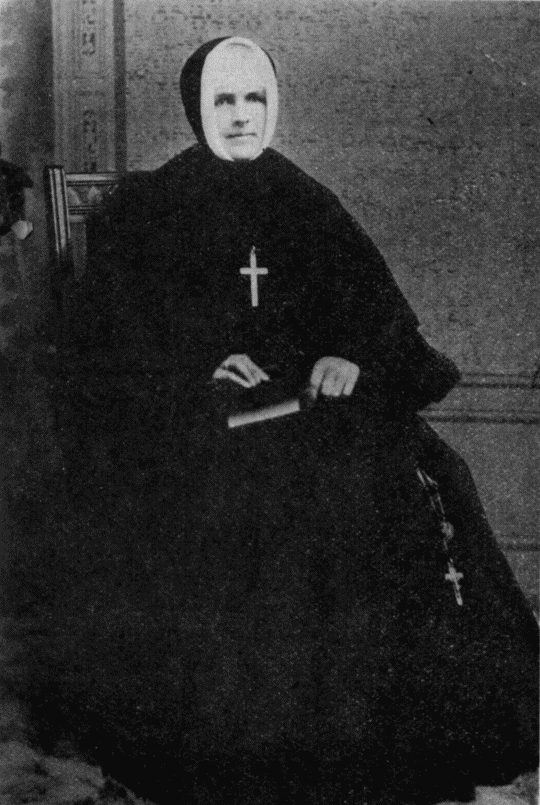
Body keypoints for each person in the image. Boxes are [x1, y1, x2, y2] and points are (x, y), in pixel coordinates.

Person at [13, 37, 539, 805]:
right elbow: (108, 349)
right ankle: (245, 737)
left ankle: (357, 728)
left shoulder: (306, 199)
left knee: (390, 480)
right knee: (253, 500)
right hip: (192, 429)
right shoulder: (153, 209)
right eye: (224, 100)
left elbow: (379, 318)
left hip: (305, 415)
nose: (241, 115)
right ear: (197, 108)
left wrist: (350, 358)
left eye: (254, 99)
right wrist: (200, 369)